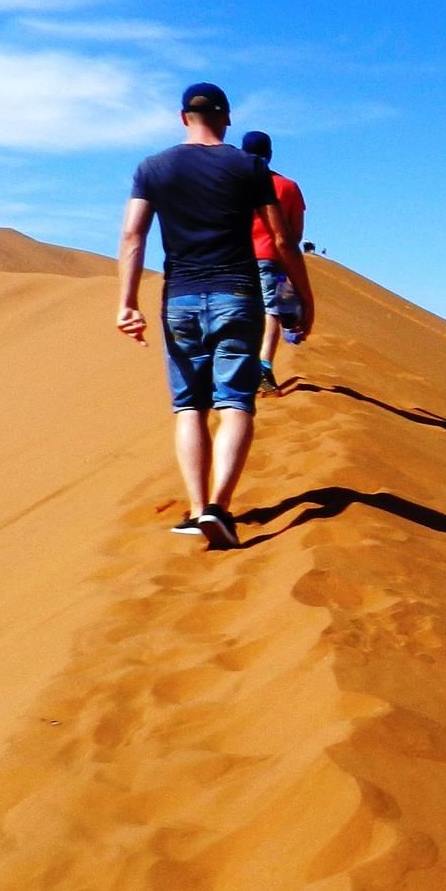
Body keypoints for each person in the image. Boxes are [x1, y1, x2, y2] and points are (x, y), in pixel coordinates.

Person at [116, 84, 317, 549]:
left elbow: (132, 236)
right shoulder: (247, 166)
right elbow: (283, 239)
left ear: (183, 117)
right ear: (225, 118)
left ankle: (196, 505)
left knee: (189, 407)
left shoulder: (153, 168)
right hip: (237, 296)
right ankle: (218, 508)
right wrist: (305, 298)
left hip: (179, 301)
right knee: (235, 403)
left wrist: (127, 302)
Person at [239, 129, 307, 395]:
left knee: (238, 312)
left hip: (234, 259)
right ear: (269, 153)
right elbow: (296, 233)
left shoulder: (231, 184)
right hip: (270, 258)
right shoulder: (288, 187)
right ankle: (263, 369)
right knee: (271, 312)